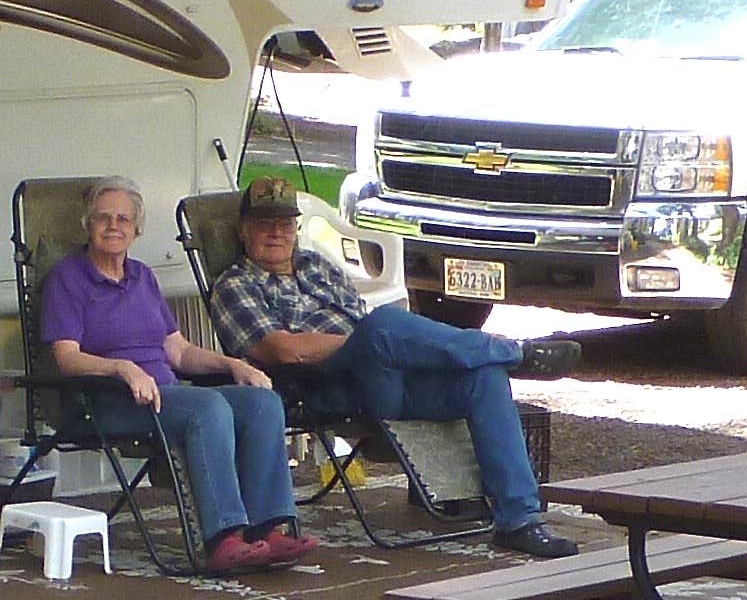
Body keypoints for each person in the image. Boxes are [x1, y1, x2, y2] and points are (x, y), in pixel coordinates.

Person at [208, 175, 581, 559]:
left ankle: (520, 521)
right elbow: (284, 351)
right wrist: (365, 341)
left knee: (484, 378)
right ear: (243, 230)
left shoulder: (316, 266)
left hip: (388, 374)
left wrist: (379, 343)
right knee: (382, 325)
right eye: (264, 224)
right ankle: (515, 352)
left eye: (285, 223)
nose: (276, 233)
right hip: (332, 388)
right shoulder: (235, 285)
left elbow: (362, 321)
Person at [37, 181, 314, 575]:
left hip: (165, 396)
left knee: (260, 402)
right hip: (107, 400)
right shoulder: (68, 278)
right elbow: (67, 358)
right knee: (209, 406)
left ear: (136, 229)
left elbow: (178, 351)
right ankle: (224, 539)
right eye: (103, 217)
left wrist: (233, 365)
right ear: (87, 225)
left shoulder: (142, 277)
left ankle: (268, 529)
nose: (113, 226)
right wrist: (121, 368)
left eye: (123, 218)